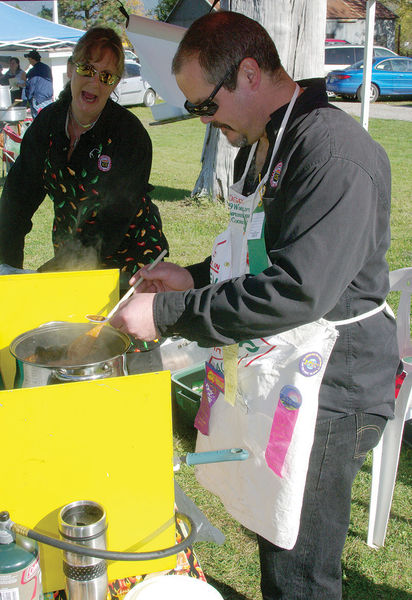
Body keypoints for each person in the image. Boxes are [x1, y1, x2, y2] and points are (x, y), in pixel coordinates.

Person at [110, 11, 399, 600]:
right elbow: (258, 257)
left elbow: (297, 288)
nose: (204, 123)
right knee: (274, 534)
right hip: (283, 362)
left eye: (202, 105)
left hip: (335, 387)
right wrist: (185, 277)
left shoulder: (333, 154)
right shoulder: (264, 142)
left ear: (247, 74)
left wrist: (167, 315)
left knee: (299, 566)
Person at [0, 27, 168, 288]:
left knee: (117, 327)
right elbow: (15, 203)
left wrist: (56, 273)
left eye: (107, 76)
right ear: (71, 69)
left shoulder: (129, 136)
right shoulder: (47, 125)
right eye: (87, 69)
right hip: (71, 253)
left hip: (130, 256)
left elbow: (112, 220)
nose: (95, 82)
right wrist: (7, 270)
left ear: (115, 83)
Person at [22, 50, 53, 118]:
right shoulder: (46, 67)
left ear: (32, 59)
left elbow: (31, 86)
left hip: (38, 99)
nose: (29, 61)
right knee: (49, 119)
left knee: (38, 122)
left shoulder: (33, 70)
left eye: (29, 59)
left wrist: (29, 99)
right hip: (48, 98)